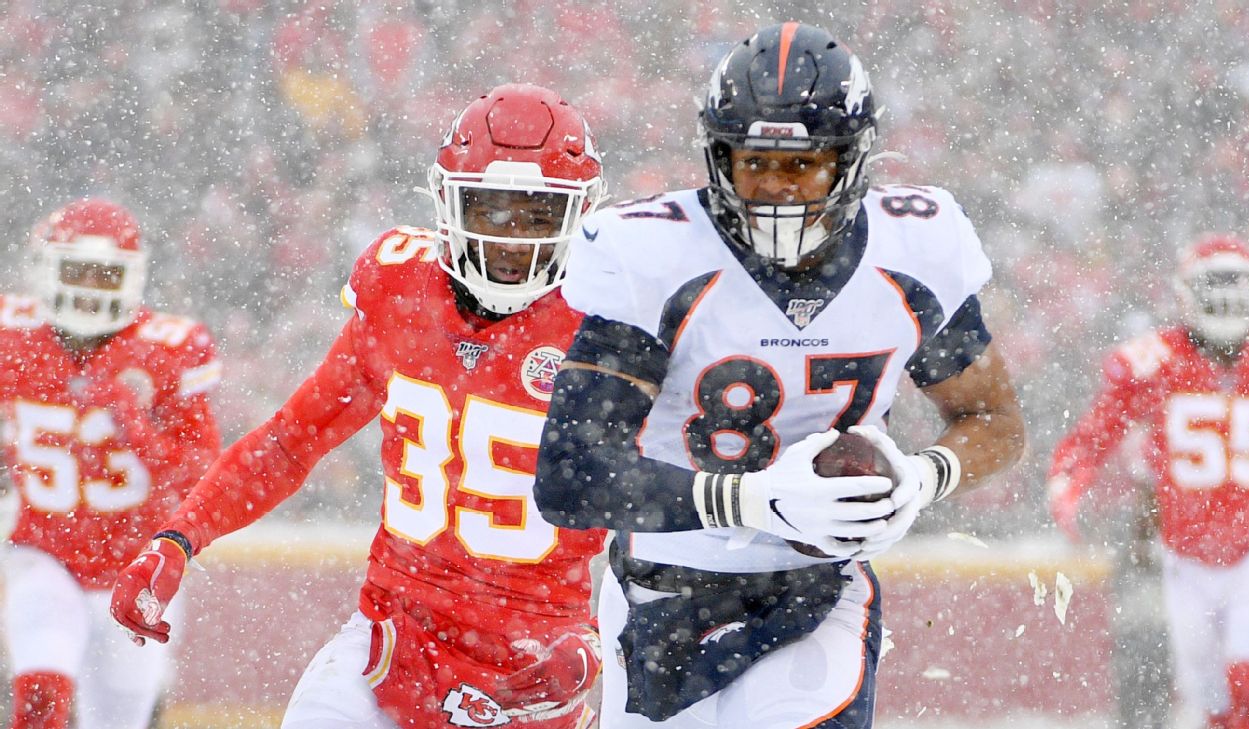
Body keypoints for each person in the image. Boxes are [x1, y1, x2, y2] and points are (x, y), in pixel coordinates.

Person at [533, 22, 1025, 728]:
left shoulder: (914, 251)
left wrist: (924, 476)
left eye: (800, 166)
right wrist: (752, 499)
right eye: (753, 162)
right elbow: (570, 474)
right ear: (718, 156)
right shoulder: (656, 254)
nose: (772, 188)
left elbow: (994, 422)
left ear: (851, 161)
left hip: (815, 593)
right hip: (658, 601)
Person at [109, 84, 608, 729]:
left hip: (535, 657)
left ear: (579, 214)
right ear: (448, 201)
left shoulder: (609, 323)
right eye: (488, 208)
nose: (511, 238)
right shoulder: (403, 293)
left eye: (537, 215)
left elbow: (668, 508)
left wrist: (599, 641)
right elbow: (293, 439)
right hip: (396, 634)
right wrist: (179, 536)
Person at [1049, 235, 1249, 729]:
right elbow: (1093, 437)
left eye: (1235, 283)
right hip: (1185, 553)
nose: (1225, 298)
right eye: (1215, 283)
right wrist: (1070, 489)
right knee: (1216, 704)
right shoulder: (1156, 361)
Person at [0, 198, 222, 729]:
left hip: (136, 567)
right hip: (43, 553)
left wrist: (137, 426)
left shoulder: (168, 348)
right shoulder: (13, 338)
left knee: (121, 718)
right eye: (77, 271)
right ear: (45, 267)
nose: (89, 287)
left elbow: (200, 474)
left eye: (105, 274)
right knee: (39, 699)